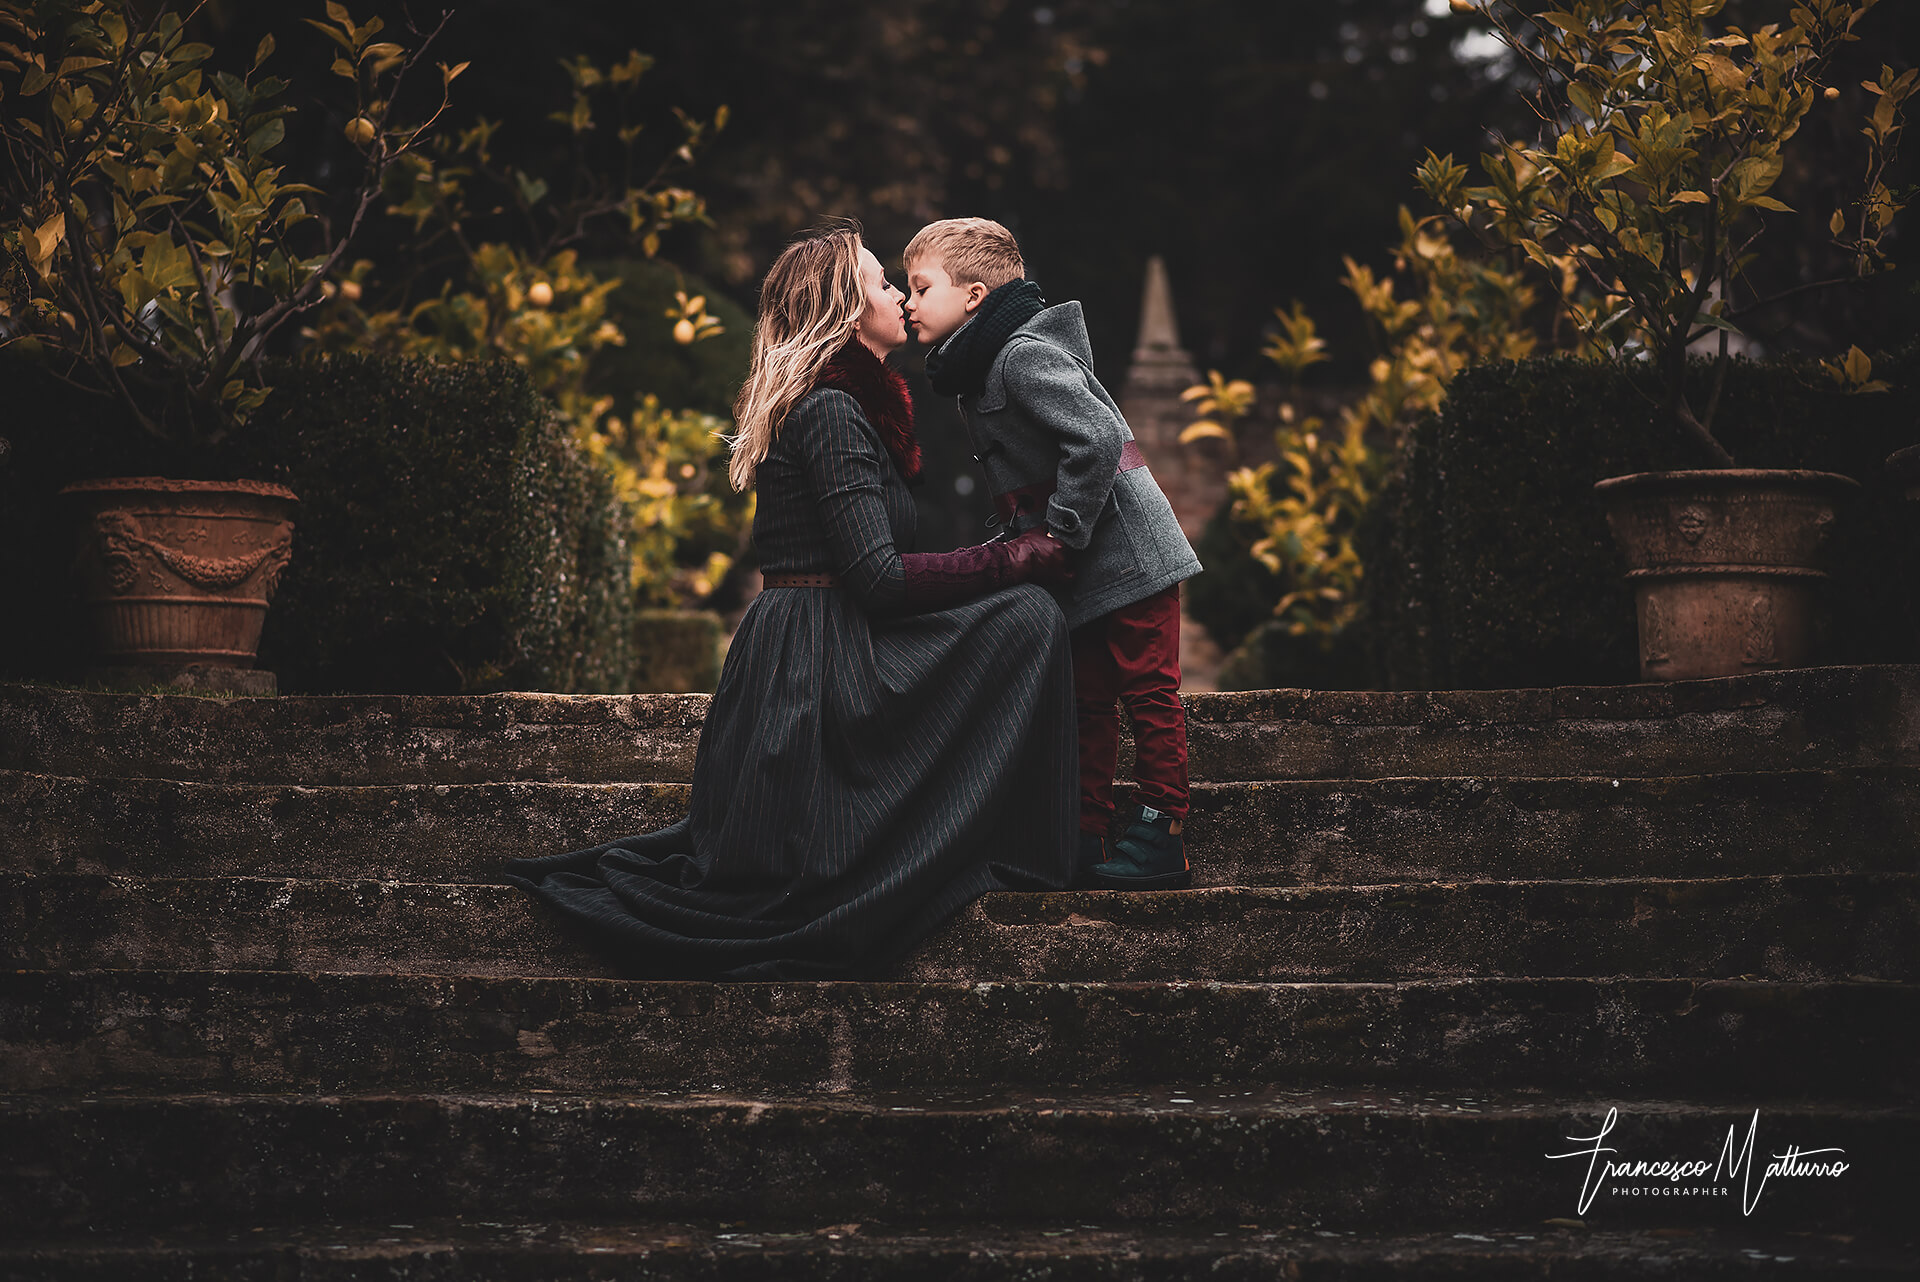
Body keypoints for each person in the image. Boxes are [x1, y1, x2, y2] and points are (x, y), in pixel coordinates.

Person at [503, 222, 1080, 979]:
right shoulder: (833, 409)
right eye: (881, 283)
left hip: (824, 640)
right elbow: (878, 578)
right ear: (845, 311)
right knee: (1027, 618)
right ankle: (996, 841)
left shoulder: (846, 406)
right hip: (817, 668)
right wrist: (1014, 559)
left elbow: (880, 570)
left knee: (1018, 615)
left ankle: (984, 831)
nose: (899, 299)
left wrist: (1001, 557)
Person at [903, 217, 1203, 890]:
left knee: (1149, 691)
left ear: (974, 295)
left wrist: (1060, 532)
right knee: (1087, 699)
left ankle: (1164, 834)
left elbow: (1096, 438)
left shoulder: (1019, 355)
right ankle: (1085, 833)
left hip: (1129, 553)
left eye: (921, 288)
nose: (908, 302)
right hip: (1088, 565)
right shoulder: (981, 368)